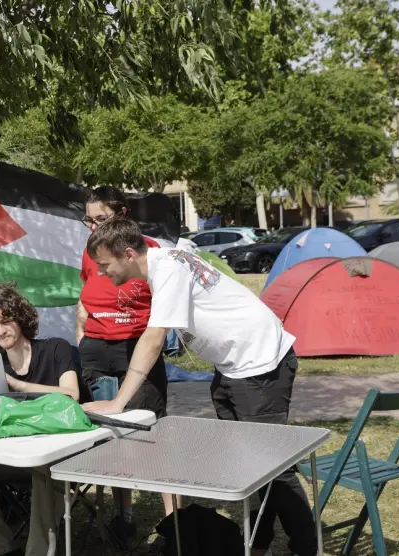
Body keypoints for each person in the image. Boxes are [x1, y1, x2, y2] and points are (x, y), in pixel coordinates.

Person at [82, 217, 317, 556]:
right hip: (233, 367)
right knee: (252, 464)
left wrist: (119, 402)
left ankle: (307, 547)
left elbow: (154, 337)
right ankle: (259, 541)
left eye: (104, 265)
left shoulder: (167, 270)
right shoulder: (162, 264)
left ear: (128, 254)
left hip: (260, 364)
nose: (102, 273)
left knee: (273, 465)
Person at [0, 283, 81, 556]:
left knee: (46, 469)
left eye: (5, 321)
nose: (0, 331)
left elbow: (72, 395)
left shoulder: (57, 349)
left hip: (59, 455)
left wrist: (18, 386)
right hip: (12, 455)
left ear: (20, 318)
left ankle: (37, 552)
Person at [76, 186, 168, 542]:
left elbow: (163, 307)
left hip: (137, 349)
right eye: (88, 219)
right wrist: (82, 332)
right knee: (111, 439)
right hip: (97, 349)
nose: (92, 226)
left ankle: (170, 526)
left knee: (150, 435)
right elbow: (83, 294)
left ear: (122, 214)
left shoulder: (150, 252)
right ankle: (123, 518)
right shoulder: (91, 251)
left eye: (100, 218)